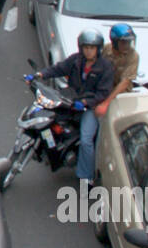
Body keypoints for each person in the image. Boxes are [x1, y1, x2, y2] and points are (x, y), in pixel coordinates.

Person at [34, 31, 115, 185]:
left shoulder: (106, 68)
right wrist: (39, 75)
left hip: (90, 108)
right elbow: (57, 69)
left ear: (98, 49)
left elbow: (103, 93)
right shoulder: (76, 61)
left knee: (86, 140)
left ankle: (87, 176)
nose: (89, 51)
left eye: (92, 47)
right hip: (71, 101)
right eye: (86, 47)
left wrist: (85, 102)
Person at [96, 24, 140, 115]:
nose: (127, 45)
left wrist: (106, 103)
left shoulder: (133, 55)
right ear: (115, 42)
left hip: (122, 96)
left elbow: (124, 83)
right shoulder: (105, 49)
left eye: (129, 42)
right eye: (123, 42)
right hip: (103, 91)